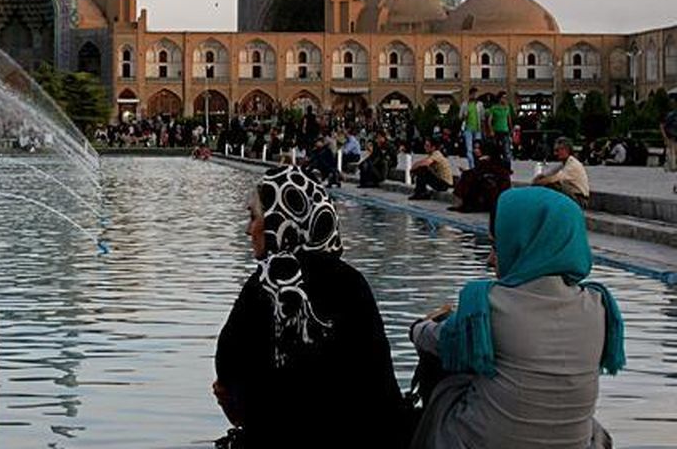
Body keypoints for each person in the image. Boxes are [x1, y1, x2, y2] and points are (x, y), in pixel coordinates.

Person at [408, 187, 624, 448]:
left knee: (446, 369)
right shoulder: (599, 304)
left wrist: (421, 326)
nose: (490, 260)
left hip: (479, 441)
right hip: (576, 442)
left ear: (521, 245)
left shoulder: (487, 304)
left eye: (496, 246)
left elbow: (435, 340)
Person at [213, 166, 406, 448]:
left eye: (254, 217)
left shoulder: (266, 286)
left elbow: (228, 375)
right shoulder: (353, 284)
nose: (247, 229)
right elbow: (381, 388)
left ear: (280, 221)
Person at [451, 141, 510, 213]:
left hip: (497, 187)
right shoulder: (483, 160)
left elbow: (484, 172)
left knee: (469, 178)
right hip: (489, 182)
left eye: (478, 148)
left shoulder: (489, 160)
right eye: (475, 148)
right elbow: (478, 171)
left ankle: (468, 204)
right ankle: (466, 204)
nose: (475, 150)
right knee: (468, 176)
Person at [532, 136, 591, 208]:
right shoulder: (563, 164)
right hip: (574, 196)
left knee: (552, 185)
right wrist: (538, 178)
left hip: (580, 200)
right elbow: (548, 174)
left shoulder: (572, 164)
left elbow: (554, 179)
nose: (555, 154)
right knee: (546, 183)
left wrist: (537, 183)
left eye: (557, 151)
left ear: (565, 150)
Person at [409, 136, 454, 200]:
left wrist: (413, 167)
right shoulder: (432, 154)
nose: (425, 147)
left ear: (433, 147)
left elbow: (426, 163)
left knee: (422, 170)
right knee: (422, 169)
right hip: (440, 181)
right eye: (425, 145)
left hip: (444, 184)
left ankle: (420, 193)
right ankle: (421, 192)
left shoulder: (437, 154)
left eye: (427, 146)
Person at [458, 88, 485, 170]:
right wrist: (464, 116)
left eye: (475, 94)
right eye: (473, 94)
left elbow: (482, 117)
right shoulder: (465, 104)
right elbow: (460, 117)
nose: (474, 96)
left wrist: (483, 129)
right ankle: (472, 167)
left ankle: (477, 165)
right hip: (468, 130)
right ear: (470, 94)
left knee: (477, 149)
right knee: (469, 149)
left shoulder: (479, 104)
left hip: (477, 129)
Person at [486, 92, 513, 169]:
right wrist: (491, 130)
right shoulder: (494, 108)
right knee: (496, 150)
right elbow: (489, 121)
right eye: (503, 97)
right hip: (496, 131)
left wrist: (511, 130)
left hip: (505, 131)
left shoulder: (507, 108)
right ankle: (496, 166)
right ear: (499, 98)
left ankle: (507, 168)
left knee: (506, 150)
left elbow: (509, 120)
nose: (504, 99)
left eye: (505, 98)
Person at [662, 105, 677, 173]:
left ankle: (669, 165)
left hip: (672, 133)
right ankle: (671, 165)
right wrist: (665, 136)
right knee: (672, 149)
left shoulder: (671, 114)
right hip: (671, 133)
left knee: (672, 150)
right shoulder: (672, 115)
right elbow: (663, 125)